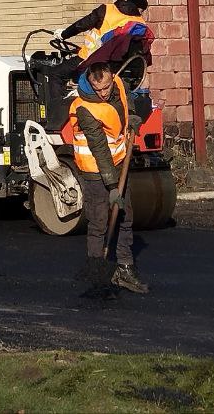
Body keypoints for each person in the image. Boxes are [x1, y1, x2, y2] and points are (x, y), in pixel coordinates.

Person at [67, 62, 149, 294]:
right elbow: (99, 148)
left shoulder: (119, 84)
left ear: (112, 77)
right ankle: (96, 273)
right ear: (90, 83)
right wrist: (112, 186)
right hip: (95, 170)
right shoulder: (84, 107)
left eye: (106, 88)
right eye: (97, 89)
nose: (103, 94)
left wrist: (132, 115)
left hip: (120, 161)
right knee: (99, 221)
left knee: (125, 215)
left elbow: (126, 100)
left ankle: (124, 268)